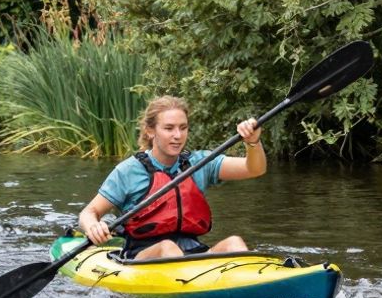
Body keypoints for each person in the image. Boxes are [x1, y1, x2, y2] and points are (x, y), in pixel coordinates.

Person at [79, 96, 265, 261]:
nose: (177, 135)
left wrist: (253, 142)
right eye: (169, 128)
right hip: (143, 256)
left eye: (183, 128)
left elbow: (254, 169)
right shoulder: (128, 171)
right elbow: (89, 212)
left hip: (192, 251)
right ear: (150, 131)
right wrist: (93, 226)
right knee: (168, 248)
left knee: (235, 243)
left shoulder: (200, 163)